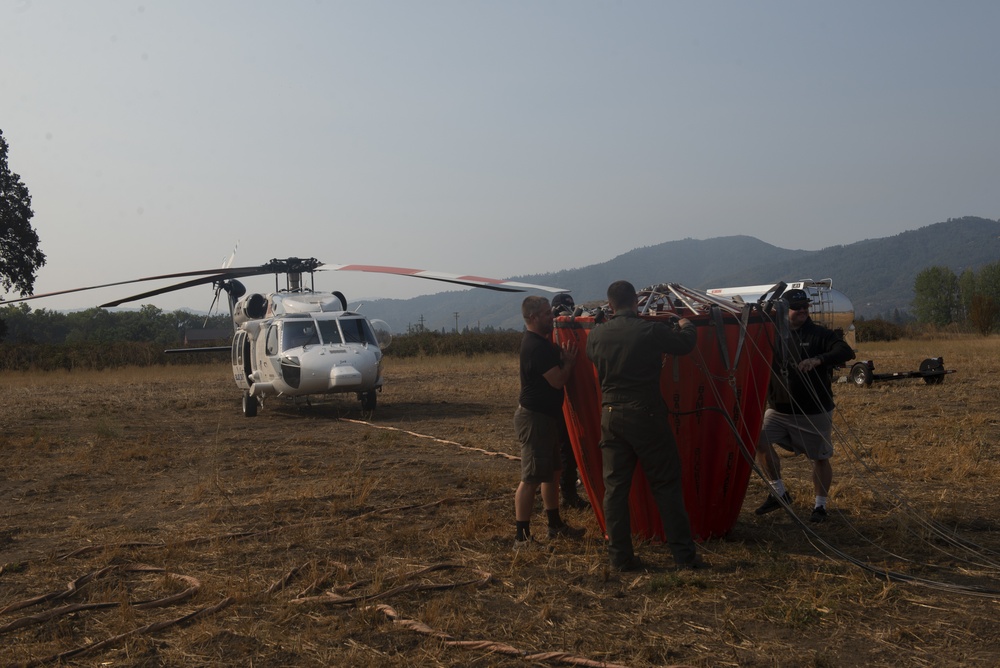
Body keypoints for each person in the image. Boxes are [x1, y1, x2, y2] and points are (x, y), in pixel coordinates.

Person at [585, 280, 705, 571]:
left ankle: (620, 557)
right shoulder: (650, 330)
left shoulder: (596, 335)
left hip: (611, 416)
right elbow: (685, 344)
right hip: (646, 415)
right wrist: (685, 323)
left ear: (610, 305)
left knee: (614, 489)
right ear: (636, 303)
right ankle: (684, 557)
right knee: (665, 485)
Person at [753, 288, 856, 523]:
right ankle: (779, 492)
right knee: (758, 440)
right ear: (783, 311)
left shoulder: (819, 334)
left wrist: (818, 359)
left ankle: (820, 507)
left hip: (813, 411)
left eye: (805, 307)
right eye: (796, 307)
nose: (802, 311)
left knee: (820, 458)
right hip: (778, 410)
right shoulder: (772, 334)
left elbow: (845, 351)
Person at [513, 295, 586, 548]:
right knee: (531, 477)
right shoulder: (536, 347)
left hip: (546, 417)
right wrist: (568, 363)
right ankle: (521, 538)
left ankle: (555, 526)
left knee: (553, 472)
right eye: (546, 314)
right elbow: (557, 381)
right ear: (533, 318)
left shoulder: (542, 344)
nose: (551, 317)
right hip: (534, 419)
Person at [551, 293, 589, 510]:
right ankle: (567, 493)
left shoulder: (556, 333)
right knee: (564, 449)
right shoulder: (553, 335)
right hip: (558, 401)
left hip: (565, 398)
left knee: (565, 448)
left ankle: (564, 489)